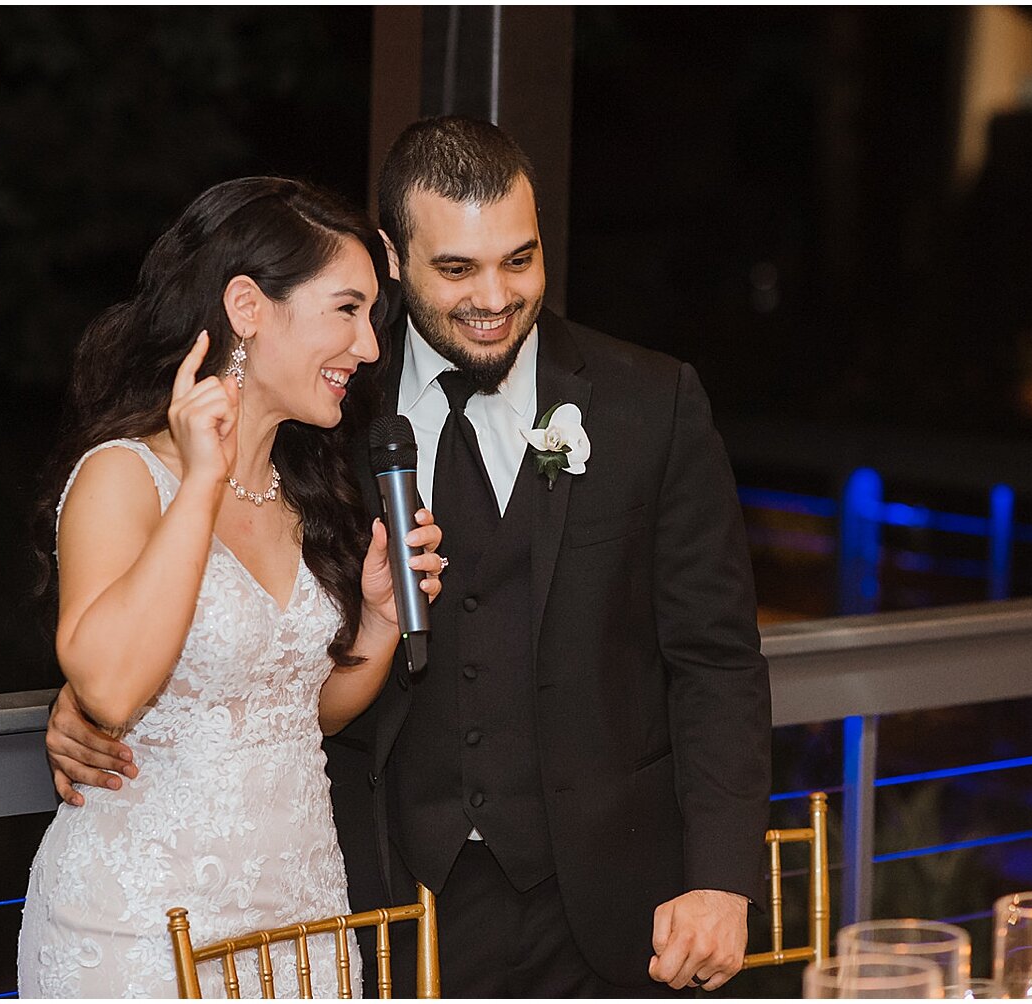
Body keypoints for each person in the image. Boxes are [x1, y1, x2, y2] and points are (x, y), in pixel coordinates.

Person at [48, 117, 771, 997]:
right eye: (457, 268)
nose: (495, 296)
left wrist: (723, 875)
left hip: (610, 897)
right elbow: (193, 595)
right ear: (394, 258)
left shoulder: (647, 404)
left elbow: (717, 658)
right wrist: (108, 701)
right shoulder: (323, 410)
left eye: (520, 258)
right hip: (382, 897)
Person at [17, 176, 444, 999]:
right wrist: (202, 479)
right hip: (146, 928)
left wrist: (381, 621)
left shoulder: (304, 490)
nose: (369, 347)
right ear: (248, 305)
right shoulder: (123, 476)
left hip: (301, 919)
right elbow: (107, 688)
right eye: (346, 310)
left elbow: (297, 713)